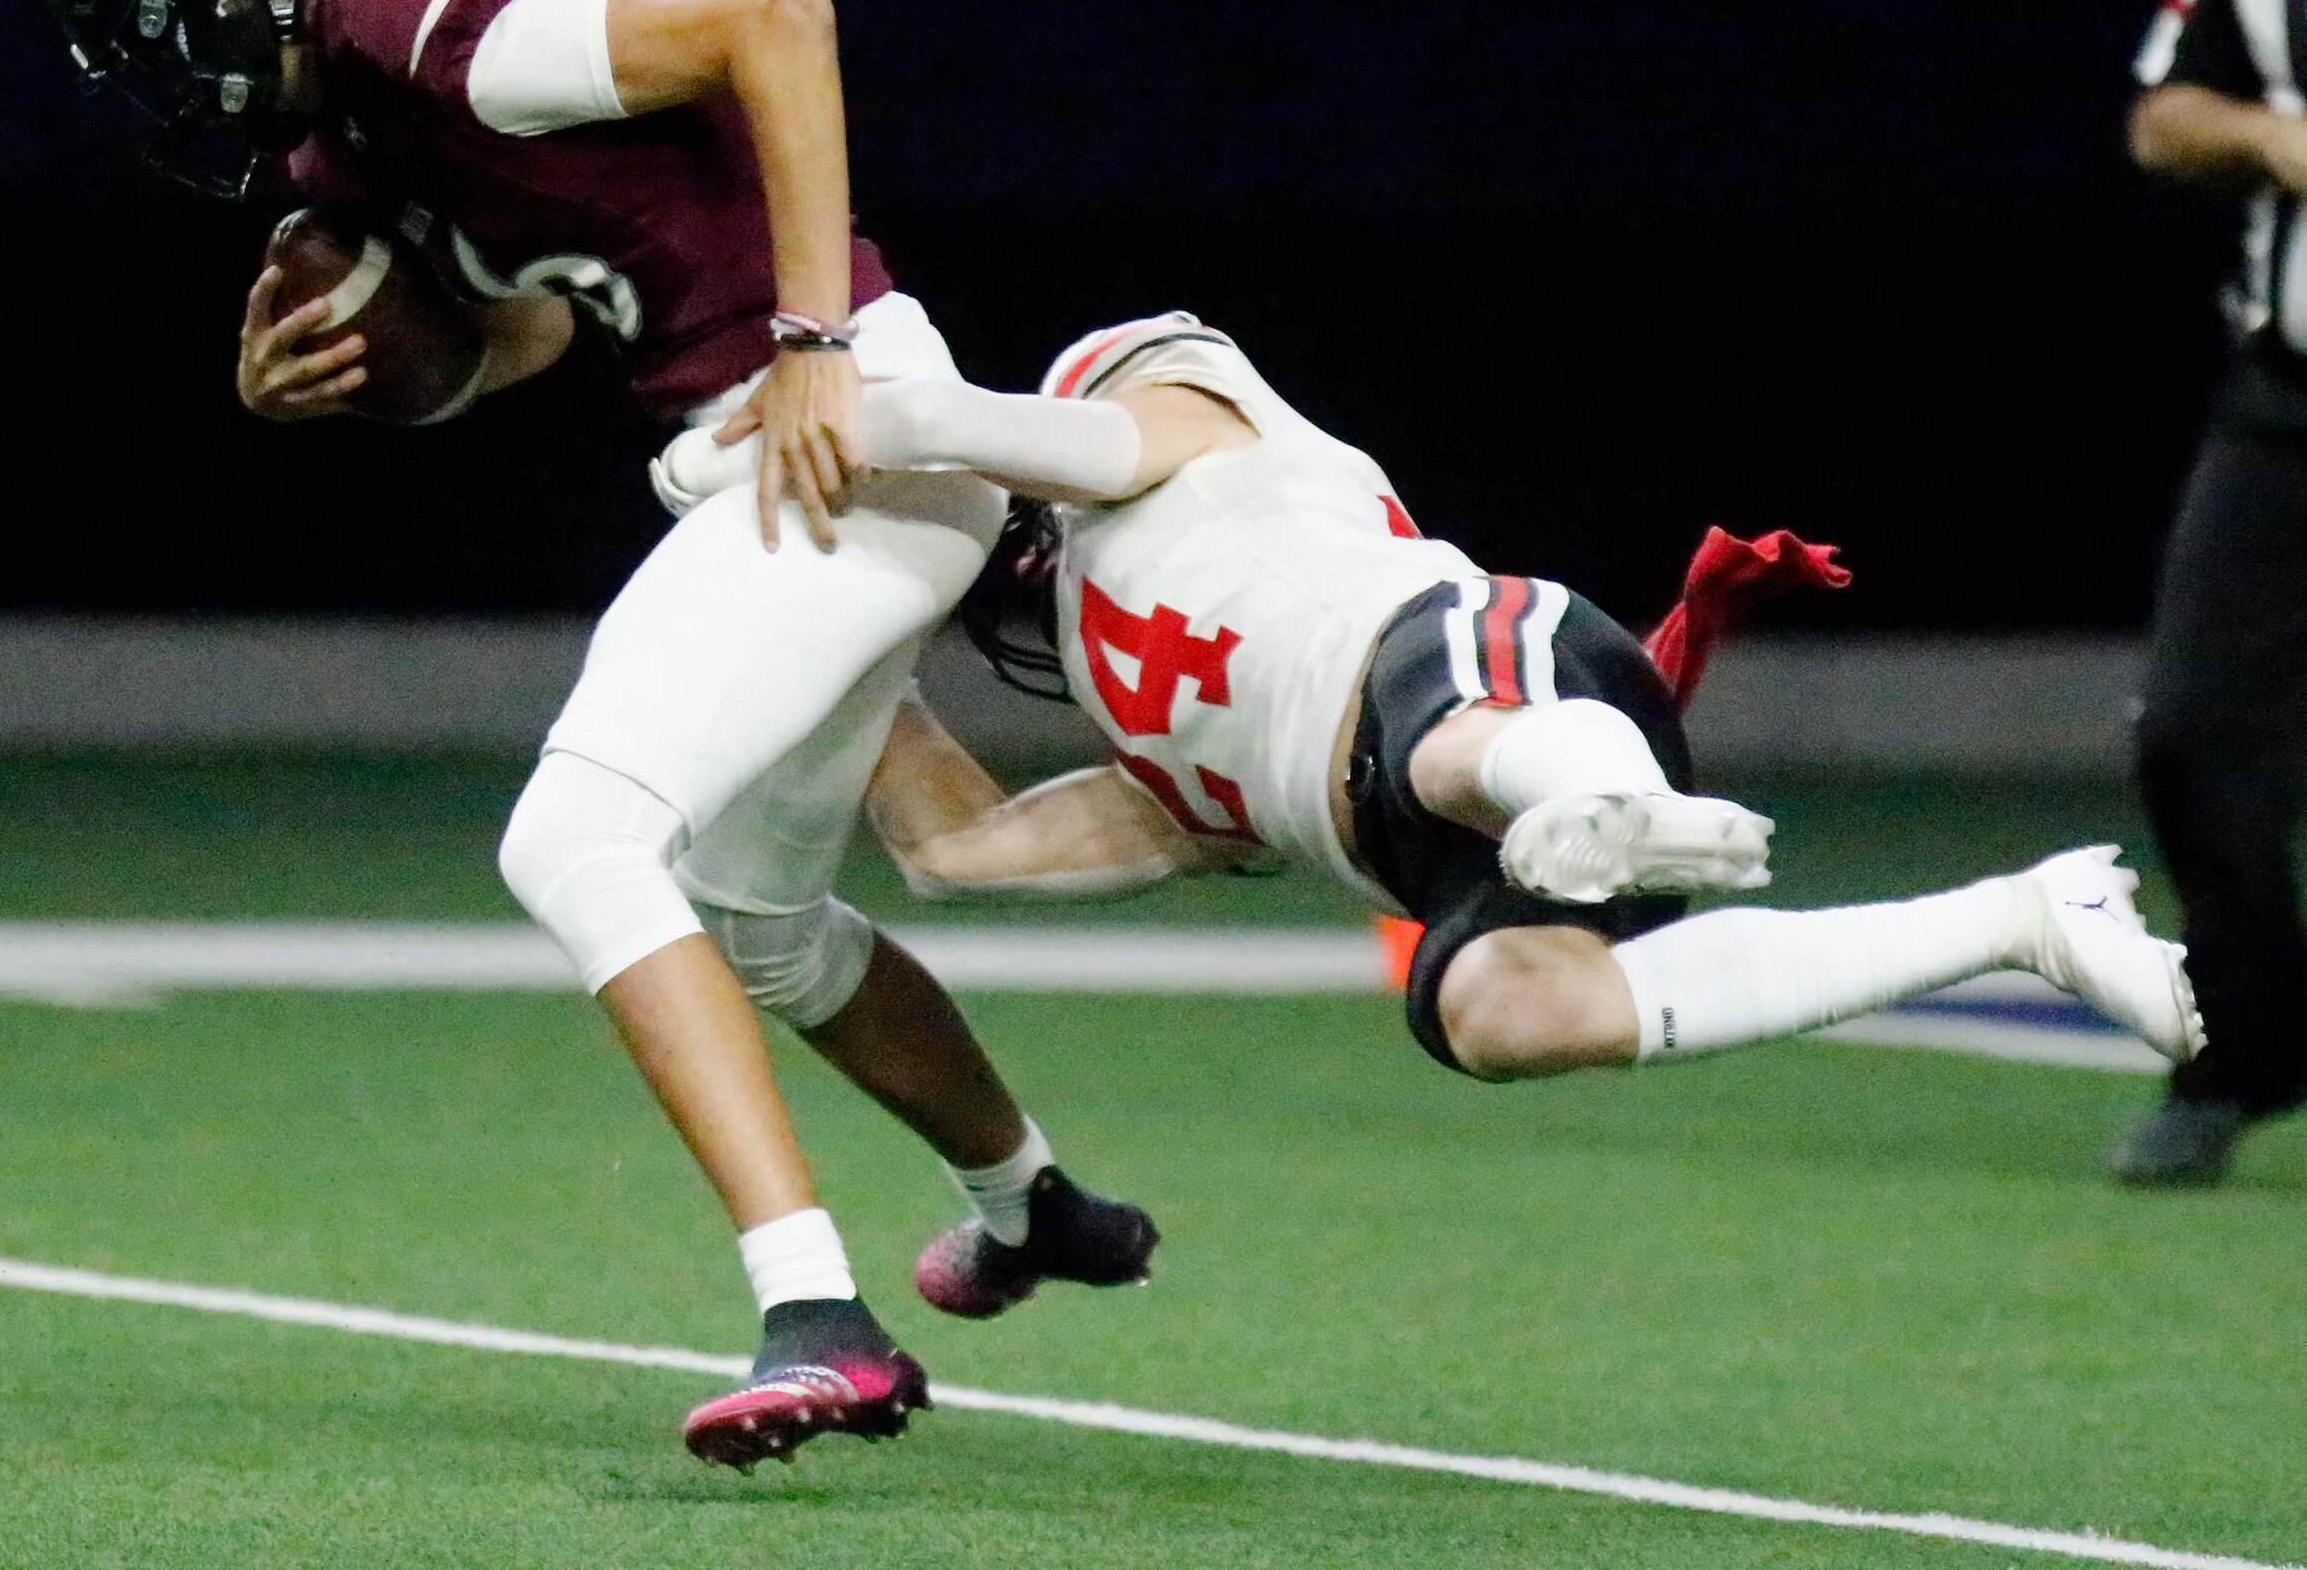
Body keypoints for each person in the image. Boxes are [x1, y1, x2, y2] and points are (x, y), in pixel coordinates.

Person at [42, 0, 1156, 1470]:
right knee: (767, 924)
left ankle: (817, 1316)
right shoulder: (366, 88)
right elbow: (543, 327)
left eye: (165, 19)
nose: (169, 66)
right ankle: (1032, 1203)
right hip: (806, 459)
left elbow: (779, 29)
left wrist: (811, 341)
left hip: (835, 443)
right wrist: (329, 384)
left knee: (576, 833)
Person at [667, 313, 2206, 1095]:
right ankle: (2023, 917)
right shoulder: (1148, 740)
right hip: (1433, 829)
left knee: (1464, 750)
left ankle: (1611, 807)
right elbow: (957, 854)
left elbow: (947, 417)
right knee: (1503, 1015)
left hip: (1476, 658)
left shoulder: (1187, 424)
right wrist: (841, 643)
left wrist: (741, 453)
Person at [2118, 0, 2307, 1184]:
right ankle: (2247, 1034)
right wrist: (2267, 134)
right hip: (2284, 401)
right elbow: (2161, 115)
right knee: (2190, 727)